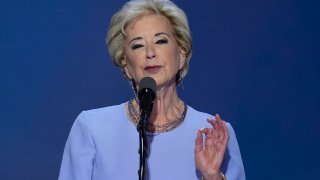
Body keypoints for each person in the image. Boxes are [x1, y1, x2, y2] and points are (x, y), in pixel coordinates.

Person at [58, 0, 246, 179]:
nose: (150, 53)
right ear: (125, 64)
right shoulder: (92, 128)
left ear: (181, 54)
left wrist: (212, 177)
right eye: (138, 45)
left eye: (161, 41)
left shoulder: (214, 134)